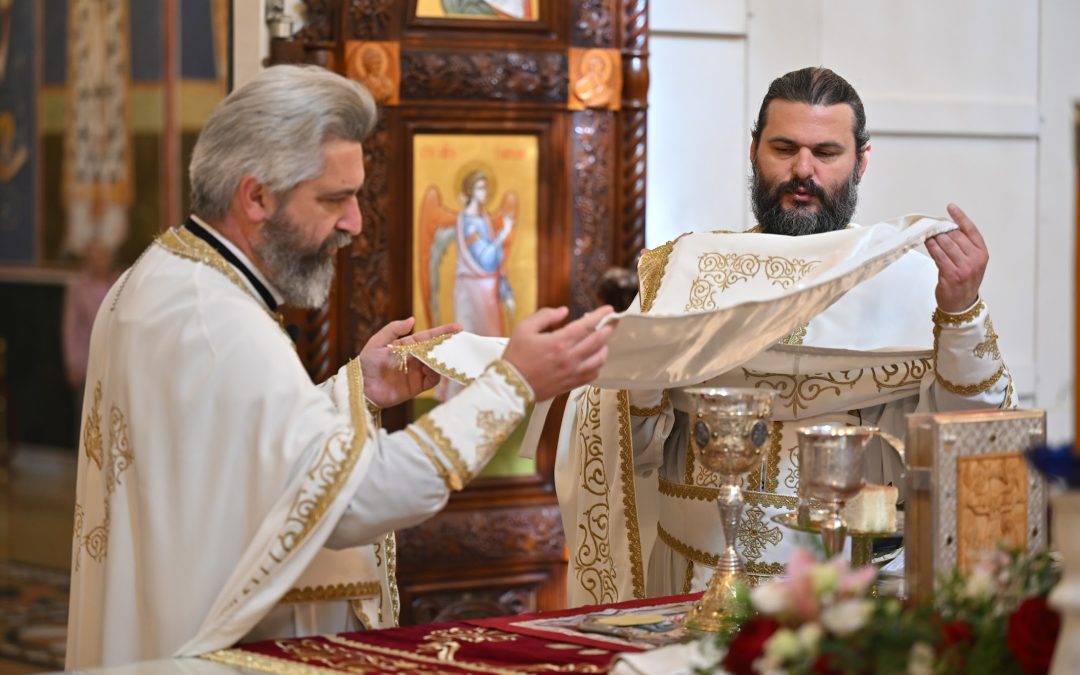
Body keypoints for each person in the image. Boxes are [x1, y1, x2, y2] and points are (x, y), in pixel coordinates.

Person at [65, 64, 615, 668]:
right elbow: (354, 502)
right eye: (334, 199)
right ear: (256, 196)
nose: (353, 223)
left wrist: (358, 389)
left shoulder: (159, 278)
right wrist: (513, 386)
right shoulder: (220, 320)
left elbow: (241, 447)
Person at [555, 67, 1013, 605]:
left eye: (826, 151)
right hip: (691, 583)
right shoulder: (687, 273)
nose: (803, 170)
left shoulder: (913, 283)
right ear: (754, 151)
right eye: (784, 148)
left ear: (861, 161)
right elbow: (615, 430)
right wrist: (646, 380)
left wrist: (960, 313)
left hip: (849, 591)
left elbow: (972, 433)